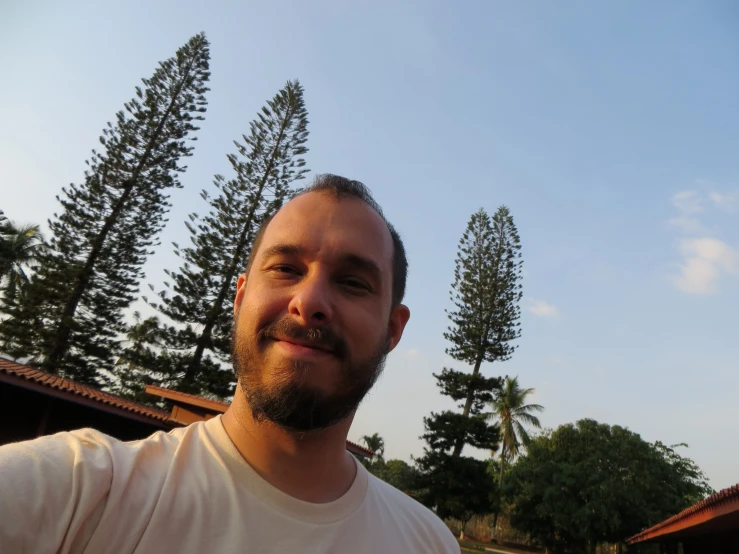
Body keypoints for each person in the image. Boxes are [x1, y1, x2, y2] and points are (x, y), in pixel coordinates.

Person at [0, 174, 460, 553]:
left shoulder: (428, 544)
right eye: (285, 269)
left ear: (393, 330)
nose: (310, 301)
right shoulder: (82, 490)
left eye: (354, 282)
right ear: (240, 298)